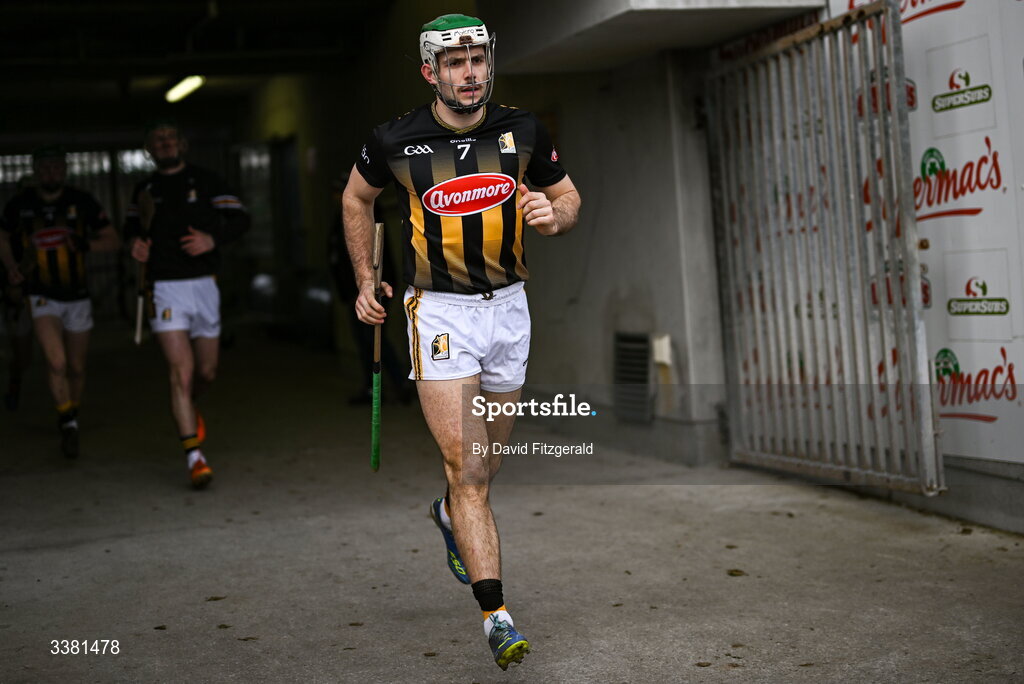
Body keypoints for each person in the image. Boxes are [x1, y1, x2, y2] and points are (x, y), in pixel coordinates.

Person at [342, 13, 581, 670]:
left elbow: (567, 200)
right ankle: (496, 614)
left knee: (488, 466)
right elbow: (355, 200)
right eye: (454, 62)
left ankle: (450, 517)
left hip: (510, 310)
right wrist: (367, 280)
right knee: (468, 472)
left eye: (477, 58)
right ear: (431, 72)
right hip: (438, 313)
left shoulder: (523, 128)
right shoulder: (394, 139)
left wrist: (551, 216)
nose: (469, 72)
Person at [124, 119, 249, 489]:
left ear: (182, 144)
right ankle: (195, 457)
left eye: (170, 138)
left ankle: (189, 408)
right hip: (164, 288)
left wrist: (213, 239)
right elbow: (132, 228)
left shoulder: (207, 181)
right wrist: (135, 244)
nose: (164, 144)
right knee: (181, 372)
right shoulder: (144, 189)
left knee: (205, 372)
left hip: (204, 286)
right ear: (149, 149)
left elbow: (241, 218)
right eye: (157, 139)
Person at [0, 146, 120, 456]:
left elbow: (113, 240)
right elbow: (1, 237)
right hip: (41, 296)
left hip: (77, 296)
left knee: (77, 367)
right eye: (44, 167)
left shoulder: (81, 202)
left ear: (65, 170)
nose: (50, 173)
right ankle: (67, 422)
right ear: (35, 170)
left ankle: (72, 413)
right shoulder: (20, 205)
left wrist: (86, 245)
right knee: (56, 362)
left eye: (56, 167)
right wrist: (12, 267)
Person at [326, 177, 410, 404]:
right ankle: (376, 388)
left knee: (374, 340)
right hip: (356, 290)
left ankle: (396, 384)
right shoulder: (342, 216)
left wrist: (373, 285)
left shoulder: (368, 211)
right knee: (366, 341)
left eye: (339, 190)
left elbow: (376, 254)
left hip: (375, 288)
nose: (336, 196)